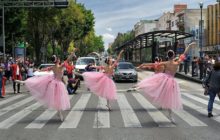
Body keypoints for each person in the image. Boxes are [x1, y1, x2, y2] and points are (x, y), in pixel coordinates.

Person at [128, 42, 196, 123]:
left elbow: (153, 64)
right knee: (169, 98)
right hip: (171, 81)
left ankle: (139, 87)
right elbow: (184, 54)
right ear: (173, 55)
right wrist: (189, 46)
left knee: (154, 85)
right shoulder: (177, 62)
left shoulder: (166, 63)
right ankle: (170, 116)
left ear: (168, 56)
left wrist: (143, 64)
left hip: (164, 79)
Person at [15, 49, 77, 121]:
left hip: (53, 83)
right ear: (57, 60)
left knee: (38, 84)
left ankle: (22, 82)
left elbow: (46, 69)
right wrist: (72, 54)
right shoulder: (60, 66)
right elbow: (67, 60)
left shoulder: (53, 67)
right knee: (59, 99)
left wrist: (39, 70)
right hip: (58, 84)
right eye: (59, 59)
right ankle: (59, 113)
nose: (60, 60)